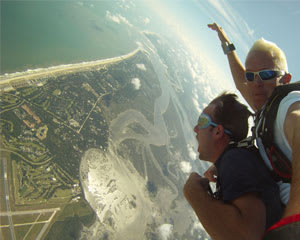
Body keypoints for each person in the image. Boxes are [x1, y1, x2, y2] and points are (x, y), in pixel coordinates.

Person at [208, 22, 300, 238]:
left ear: (286, 79)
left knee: (194, 190)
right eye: (252, 76)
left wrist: (292, 224)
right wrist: (226, 44)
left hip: (282, 225)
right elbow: (242, 81)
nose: (256, 83)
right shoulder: (266, 106)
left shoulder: (288, 106)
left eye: (267, 74)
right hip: (270, 214)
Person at [183, 93, 283, 240]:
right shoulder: (237, 158)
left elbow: (247, 235)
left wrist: (194, 193)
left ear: (218, 131)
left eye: (202, 121)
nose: (196, 129)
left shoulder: (235, 160)